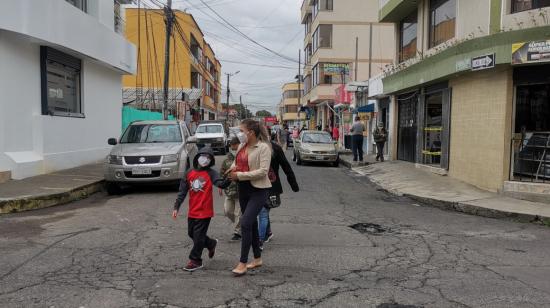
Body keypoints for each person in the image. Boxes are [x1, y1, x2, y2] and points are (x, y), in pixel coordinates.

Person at [172, 147, 230, 272]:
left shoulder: (211, 173)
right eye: (203, 156)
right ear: (197, 157)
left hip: (205, 211)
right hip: (193, 210)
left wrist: (229, 179)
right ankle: (211, 244)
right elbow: (182, 191)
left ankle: (195, 260)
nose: (205, 159)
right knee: (192, 233)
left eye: (209, 157)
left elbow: (221, 183)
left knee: (198, 237)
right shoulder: (189, 173)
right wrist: (176, 206)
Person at [226, 119, 272, 276]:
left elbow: (263, 171)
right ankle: (257, 258)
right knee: (250, 224)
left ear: (251, 133)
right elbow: (236, 162)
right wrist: (231, 170)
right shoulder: (241, 146)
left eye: (242, 130)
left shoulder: (263, 148)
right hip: (243, 188)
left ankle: (242, 262)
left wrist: (238, 175)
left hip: (259, 190)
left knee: (245, 223)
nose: (239, 134)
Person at [258, 140, 300, 250]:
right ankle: (268, 232)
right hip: (255, 184)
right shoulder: (252, 146)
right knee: (263, 212)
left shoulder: (275, 148)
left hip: (271, 185)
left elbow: (286, 166)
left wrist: (293, 184)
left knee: (263, 212)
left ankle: (260, 240)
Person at [220, 137, 242, 241]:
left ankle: (237, 232)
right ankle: (242, 223)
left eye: (235, 147)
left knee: (238, 213)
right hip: (229, 190)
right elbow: (222, 173)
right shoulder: (226, 160)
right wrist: (220, 185)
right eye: (232, 148)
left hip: (240, 191)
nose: (233, 149)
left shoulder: (243, 158)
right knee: (227, 211)